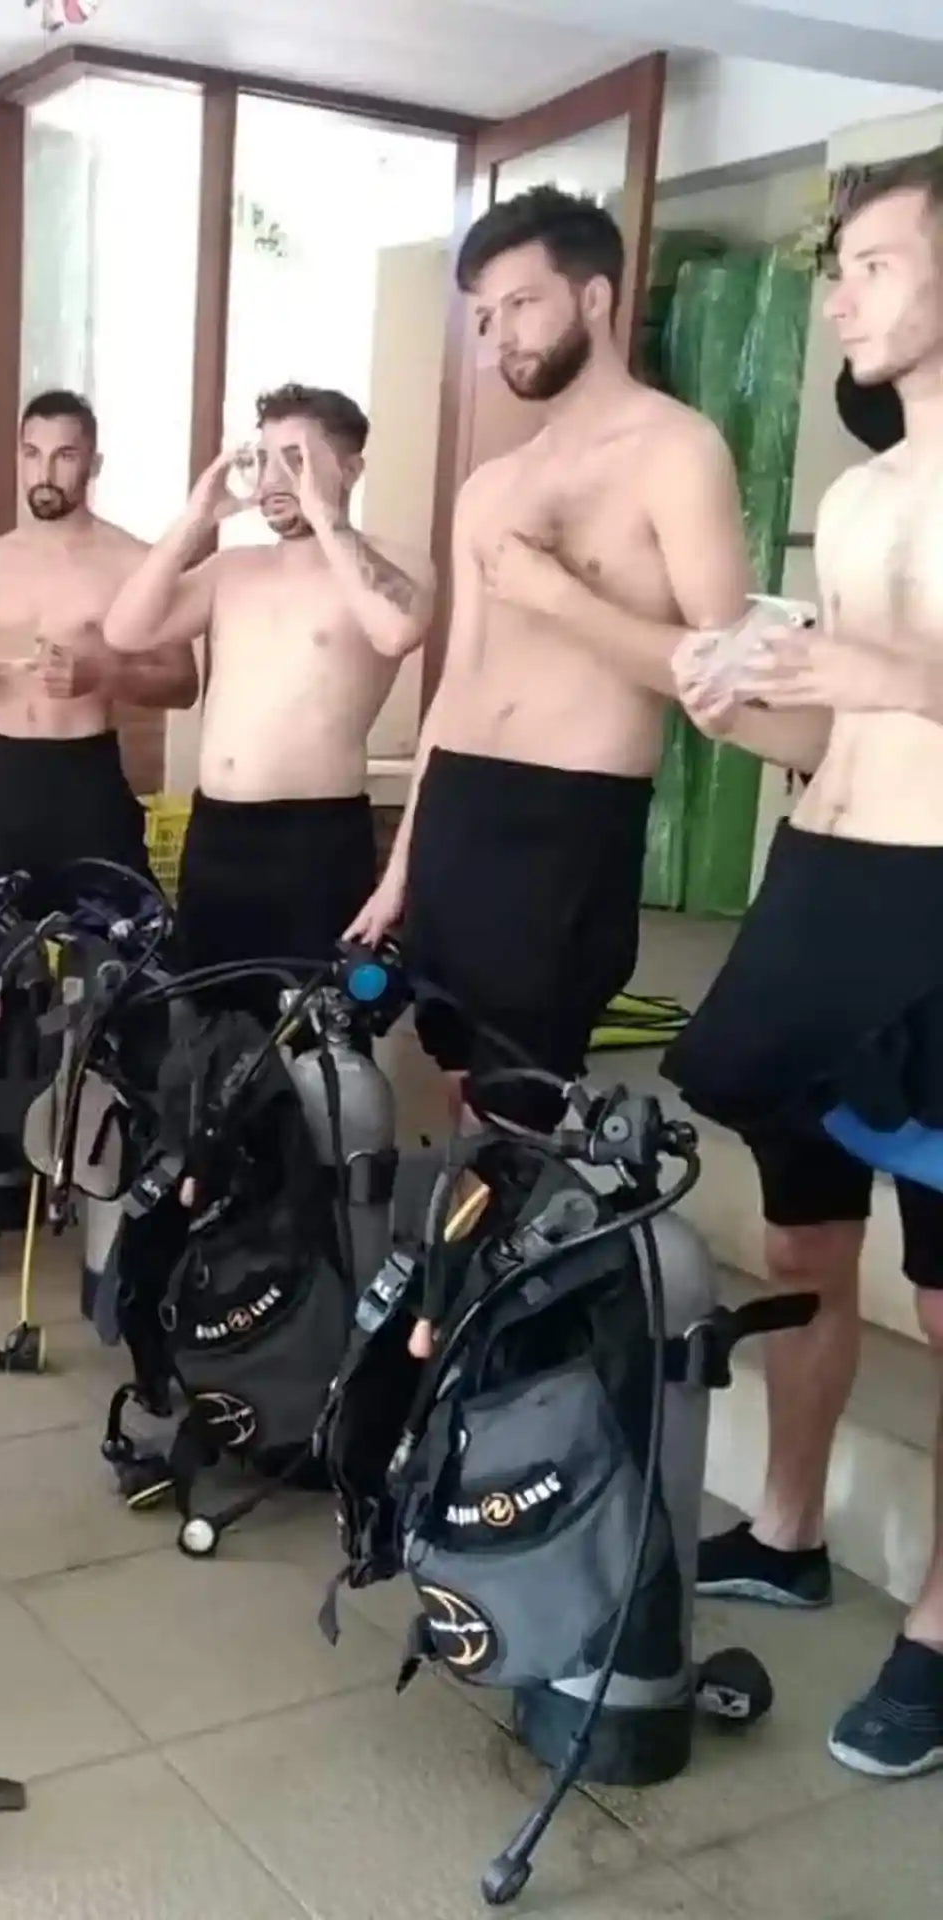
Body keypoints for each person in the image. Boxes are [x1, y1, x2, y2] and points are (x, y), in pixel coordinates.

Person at [664, 151, 943, 1780]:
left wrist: (872, 661)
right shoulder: (859, 493)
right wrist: (743, 704)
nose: (841, 292)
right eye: (841, 268)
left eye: (878, 263)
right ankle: (784, 1525)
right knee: (800, 1237)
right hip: (823, 877)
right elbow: (842, 725)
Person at [346, 187, 751, 1127]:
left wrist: (561, 598)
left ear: (596, 296)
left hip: (568, 815)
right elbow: (459, 681)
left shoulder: (678, 451)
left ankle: (529, 1266)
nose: (498, 342)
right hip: (459, 805)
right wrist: (403, 863)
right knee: (456, 1080)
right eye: (485, 318)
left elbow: (726, 680)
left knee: (526, 1101)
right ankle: (465, 1268)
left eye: (521, 305)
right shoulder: (491, 485)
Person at [103, 383, 433, 976]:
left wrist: (328, 517)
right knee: (215, 1037)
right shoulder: (233, 569)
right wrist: (194, 518)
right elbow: (125, 631)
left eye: (297, 460)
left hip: (316, 841)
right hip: (218, 839)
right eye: (265, 459)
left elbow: (398, 631)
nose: (275, 479)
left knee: (320, 1040)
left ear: (350, 469)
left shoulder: (396, 566)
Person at [0, 390, 197, 911]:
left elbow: (184, 682)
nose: (45, 472)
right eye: (32, 453)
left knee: (118, 956)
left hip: (84, 779)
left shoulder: (132, 562)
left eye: (65, 456)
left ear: (93, 463)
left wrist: (100, 674)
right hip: (1, 778)